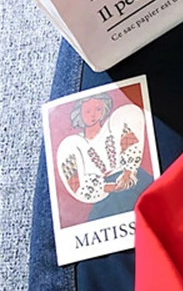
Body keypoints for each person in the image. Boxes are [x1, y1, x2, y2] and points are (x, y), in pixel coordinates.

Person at [56, 93, 151, 221]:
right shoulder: (72, 144)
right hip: (105, 194)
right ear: (79, 113)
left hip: (133, 179)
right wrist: (110, 187)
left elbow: (131, 142)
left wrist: (128, 172)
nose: (93, 115)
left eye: (98, 109)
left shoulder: (114, 125)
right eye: (88, 111)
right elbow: (76, 184)